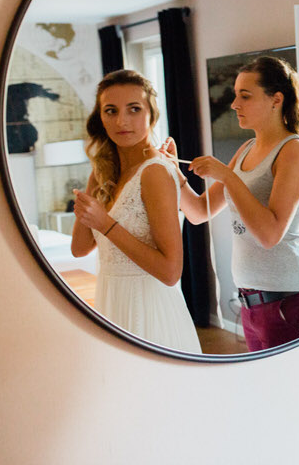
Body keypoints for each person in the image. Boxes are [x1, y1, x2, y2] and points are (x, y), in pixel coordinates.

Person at [167, 56, 299, 352]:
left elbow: (270, 234)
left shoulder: (294, 151)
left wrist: (227, 176)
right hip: (252, 303)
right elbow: (198, 212)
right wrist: (173, 171)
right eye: (235, 95)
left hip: (289, 301)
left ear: (276, 99)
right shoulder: (246, 149)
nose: (234, 104)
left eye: (245, 96)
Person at [70, 69, 201, 353]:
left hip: (150, 310)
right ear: (100, 118)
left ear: (152, 115)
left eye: (134, 109)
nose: (122, 121)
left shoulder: (155, 173)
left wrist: (105, 224)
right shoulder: (102, 172)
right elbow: (79, 248)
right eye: (111, 111)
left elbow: (170, 272)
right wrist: (90, 198)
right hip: (111, 303)